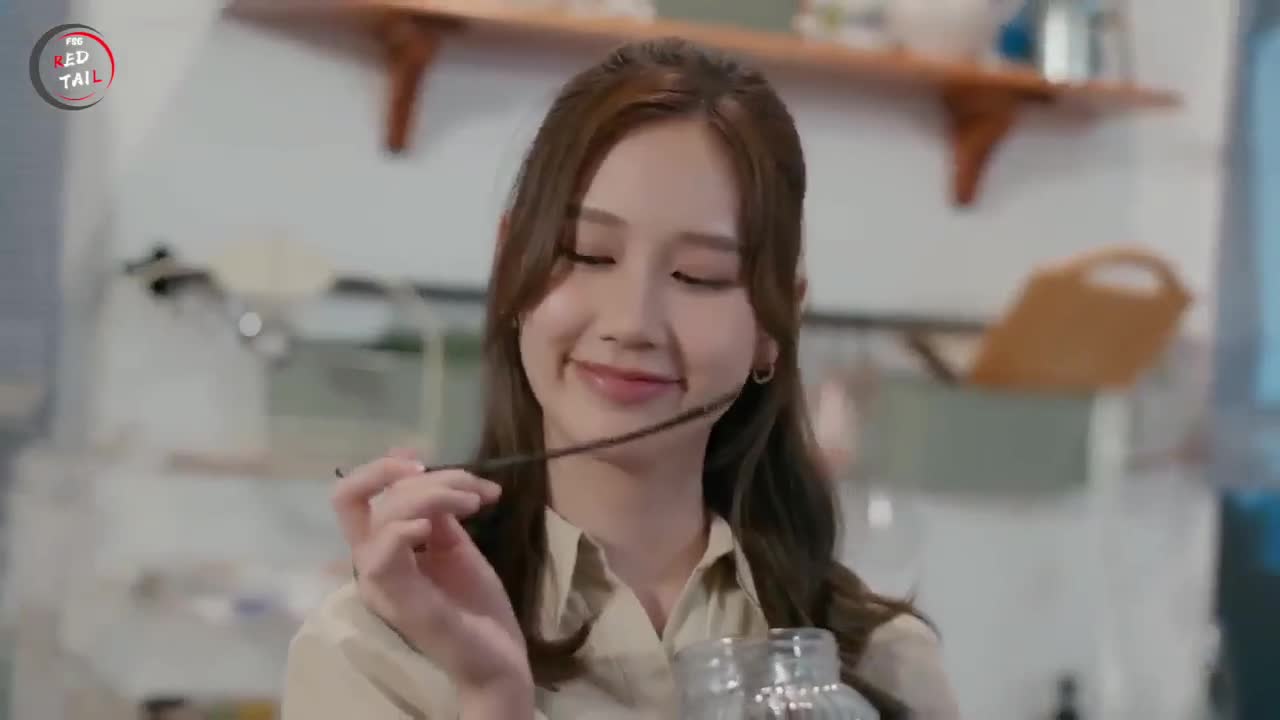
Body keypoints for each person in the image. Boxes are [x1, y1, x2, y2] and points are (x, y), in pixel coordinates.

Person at [281, 36, 961, 720]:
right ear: (512, 262)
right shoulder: (369, 653)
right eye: (587, 254)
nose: (633, 322)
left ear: (775, 321)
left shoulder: (879, 663)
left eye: (699, 276)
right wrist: (492, 694)